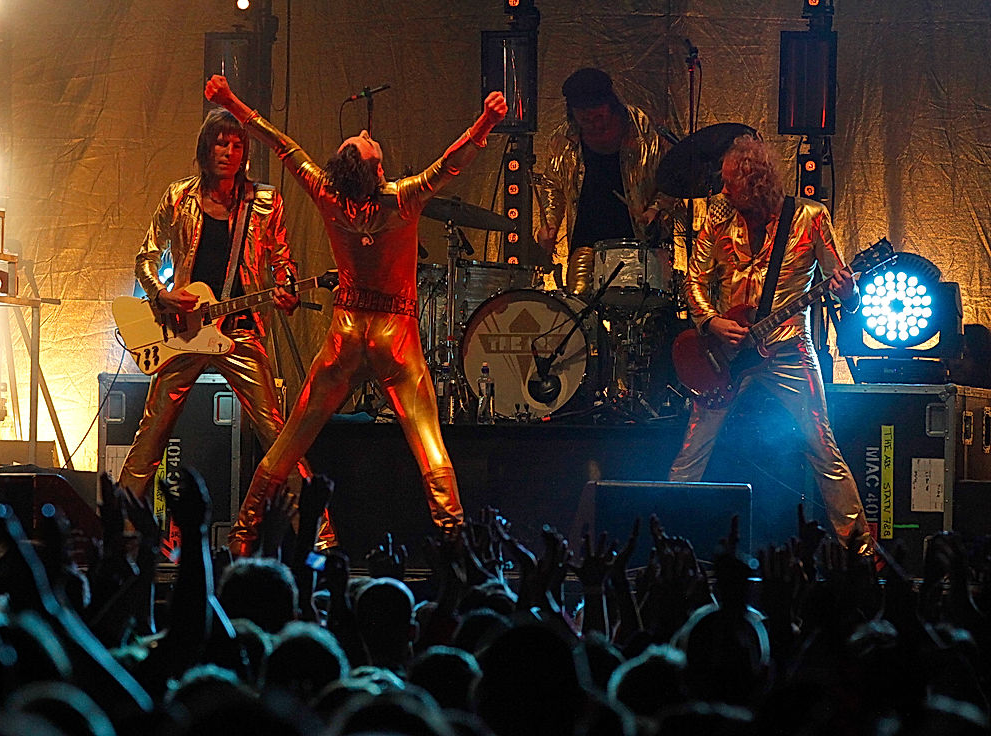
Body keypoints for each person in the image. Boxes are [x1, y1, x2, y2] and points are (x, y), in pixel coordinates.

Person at [204, 74, 507, 556]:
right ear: (376, 168)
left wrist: (230, 101)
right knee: (427, 443)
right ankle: (456, 544)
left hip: (346, 332)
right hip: (396, 336)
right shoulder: (401, 197)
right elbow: (449, 166)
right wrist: (485, 123)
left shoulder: (326, 192)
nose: (366, 134)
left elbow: (279, 142)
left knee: (293, 437)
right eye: (363, 142)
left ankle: (242, 536)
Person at [117, 107, 336, 548]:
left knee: (277, 431)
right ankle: (116, 527)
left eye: (238, 145)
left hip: (241, 330)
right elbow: (145, 255)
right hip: (184, 330)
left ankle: (321, 536)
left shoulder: (265, 202)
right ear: (205, 146)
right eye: (222, 143)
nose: (230, 152)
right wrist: (161, 295)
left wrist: (288, 287)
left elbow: (281, 260)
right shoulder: (179, 197)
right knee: (153, 429)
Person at [667, 134, 873, 552]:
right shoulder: (717, 222)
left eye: (730, 183)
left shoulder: (811, 218)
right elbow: (694, 280)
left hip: (789, 350)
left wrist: (849, 293)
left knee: (822, 446)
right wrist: (711, 321)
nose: (723, 190)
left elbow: (840, 287)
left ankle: (862, 554)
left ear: (755, 183)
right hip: (726, 355)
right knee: (693, 448)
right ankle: (665, 544)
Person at [535, 67, 666, 297]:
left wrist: (655, 209)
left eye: (599, 117)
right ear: (573, 114)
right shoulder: (563, 140)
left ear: (611, 106)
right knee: (578, 307)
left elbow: (672, 178)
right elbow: (553, 186)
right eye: (586, 120)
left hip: (636, 241)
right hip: (586, 240)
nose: (595, 125)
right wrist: (550, 223)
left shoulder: (642, 130)